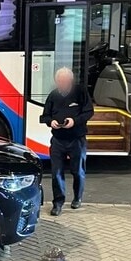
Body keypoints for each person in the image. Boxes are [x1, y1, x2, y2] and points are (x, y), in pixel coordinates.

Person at [40, 67, 94, 216]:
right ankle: (58, 203)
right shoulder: (53, 95)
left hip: (77, 139)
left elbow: (89, 112)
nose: (61, 84)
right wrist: (50, 122)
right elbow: (44, 116)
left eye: (64, 81)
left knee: (78, 171)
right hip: (58, 140)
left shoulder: (80, 92)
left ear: (70, 80)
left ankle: (77, 198)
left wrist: (74, 121)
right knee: (56, 173)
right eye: (59, 81)